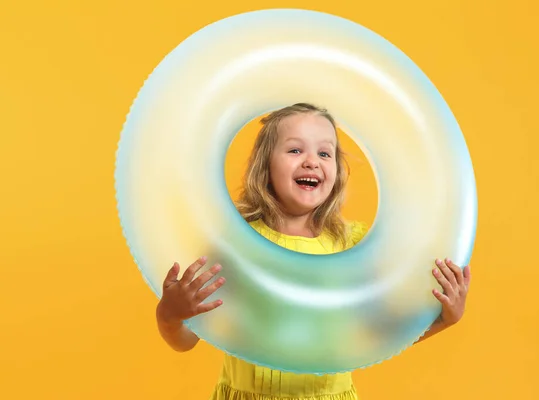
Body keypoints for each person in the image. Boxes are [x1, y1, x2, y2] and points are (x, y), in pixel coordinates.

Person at [155, 103, 472, 399]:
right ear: (266, 164)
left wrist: (442, 320)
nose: (312, 161)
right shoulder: (236, 242)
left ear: (336, 169)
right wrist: (169, 316)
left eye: (325, 153)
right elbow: (187, 340)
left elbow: (378, 337)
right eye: (295, 149)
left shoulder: (353, 246)